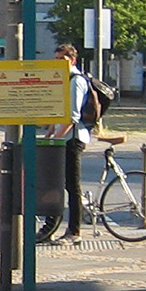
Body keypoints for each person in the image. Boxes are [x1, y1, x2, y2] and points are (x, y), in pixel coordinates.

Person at [39, 43, 92, 244]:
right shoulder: (63, 80)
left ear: (73, 60)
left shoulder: (76, 81)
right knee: (56, 184)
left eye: (62, 59)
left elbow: (72, 117)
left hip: (73, 140)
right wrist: (50, 132)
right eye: (56, 59)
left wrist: (57, 139)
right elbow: (58, 111)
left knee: (72, 185)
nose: (58, 63)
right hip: (62, 138)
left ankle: (74, 232)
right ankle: (49, 228)